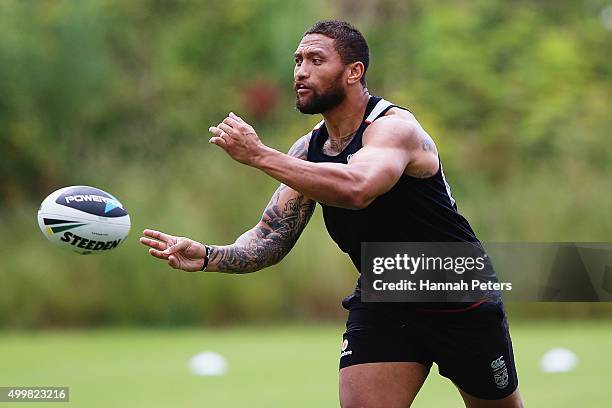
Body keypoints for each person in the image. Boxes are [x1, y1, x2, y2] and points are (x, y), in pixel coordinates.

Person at [139, 20, 524, 408]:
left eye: (316, 60)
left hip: (456, 295)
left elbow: (357, 188)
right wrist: (207, 255)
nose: (301, 71)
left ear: (354, 71)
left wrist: (258, 154)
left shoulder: (394, 130)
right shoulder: (308, 150)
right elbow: (270, 238)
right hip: (385, 294)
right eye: (298, 60)